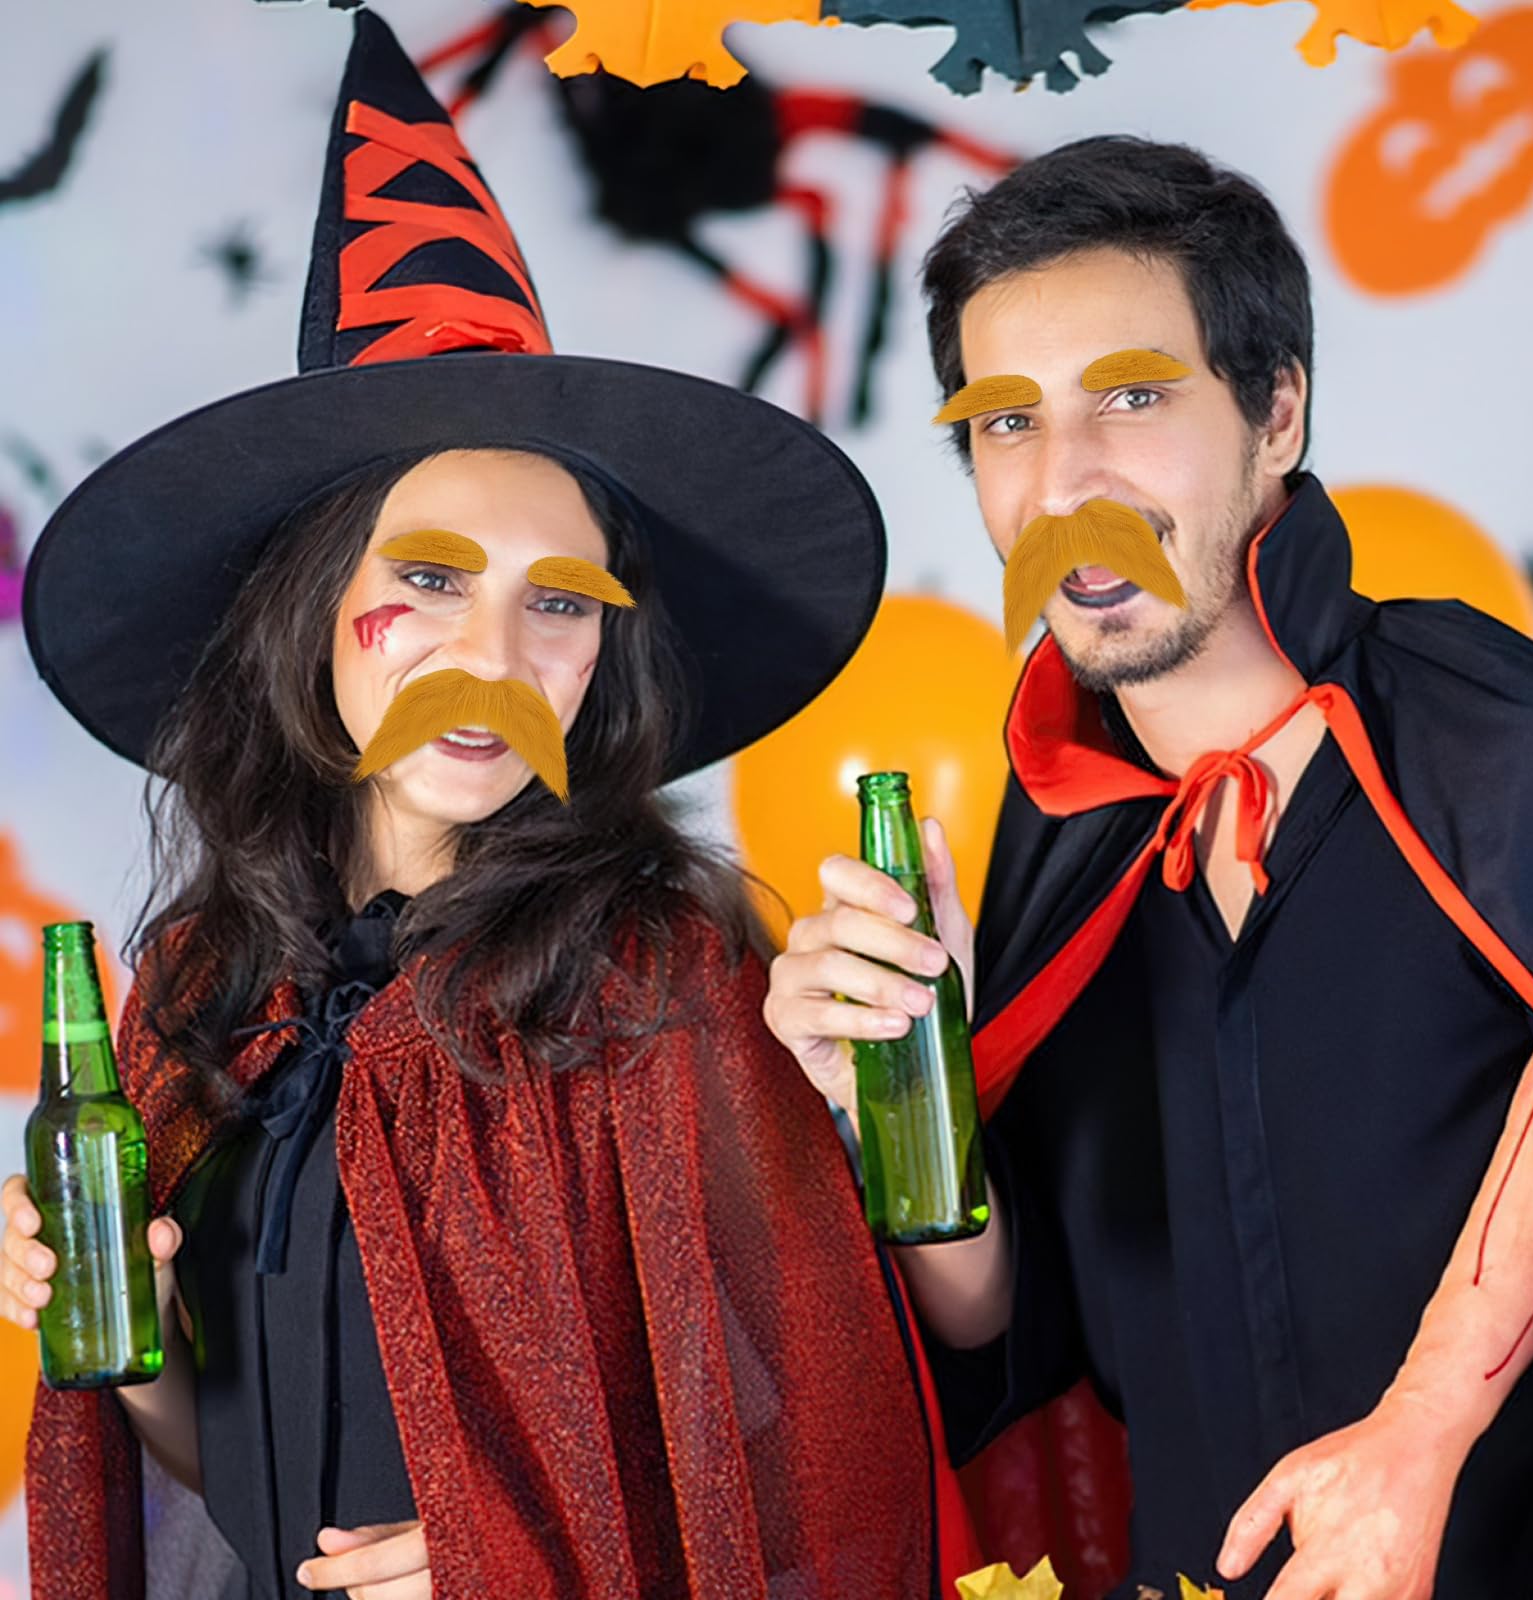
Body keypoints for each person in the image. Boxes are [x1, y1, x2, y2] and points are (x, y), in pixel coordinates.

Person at [2, 13, 946, 1599]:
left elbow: (811, 1465)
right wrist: (126, 1336)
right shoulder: (200, 994)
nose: (494, 660)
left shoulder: (661, 976)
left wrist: (526, 1559)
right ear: (311, 613)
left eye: (558, 603)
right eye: (431, 582)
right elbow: (233, 1475)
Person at [763, 135, 1533, 1598]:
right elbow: (1006, 1330)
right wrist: (898, 1096)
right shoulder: (1056, 840)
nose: (1065, 482)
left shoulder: (1520, 746)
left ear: (1277, 412)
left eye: (1134, 398)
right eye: (1008, 422)